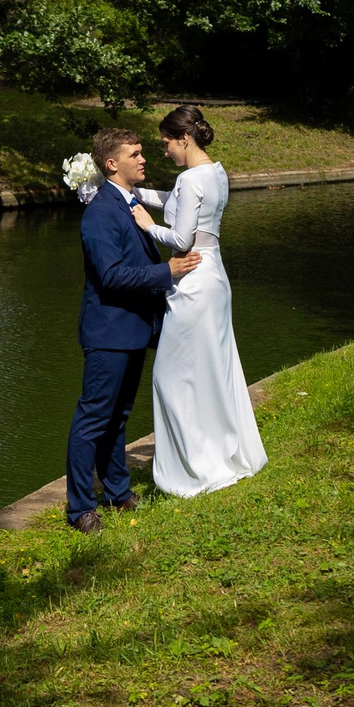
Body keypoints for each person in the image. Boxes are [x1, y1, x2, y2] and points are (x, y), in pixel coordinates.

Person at [129, 105, 267, 496]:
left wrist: (147, 225)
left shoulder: (191, 178)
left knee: (170, 376)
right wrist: (131, 192)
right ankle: (220, 451)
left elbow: (183, 238)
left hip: (192, 280)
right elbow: (175, 200)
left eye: (166, 143)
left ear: (183, 138)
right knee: (211, 368)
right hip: (214, 277)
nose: (164, 151)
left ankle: (196, 465)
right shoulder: (215, 172)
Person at [70, 126, 202, 533]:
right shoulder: (100, 213)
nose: (144, 159)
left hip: (132, 331)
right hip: (108, 332)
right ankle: (80, 510)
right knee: (92, 419)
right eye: (135, 154)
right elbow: (109, 276)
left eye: (143, 152)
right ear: (112, 164)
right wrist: (167, 270)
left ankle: (118, 493)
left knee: (119, 416)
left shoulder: (126, 203)